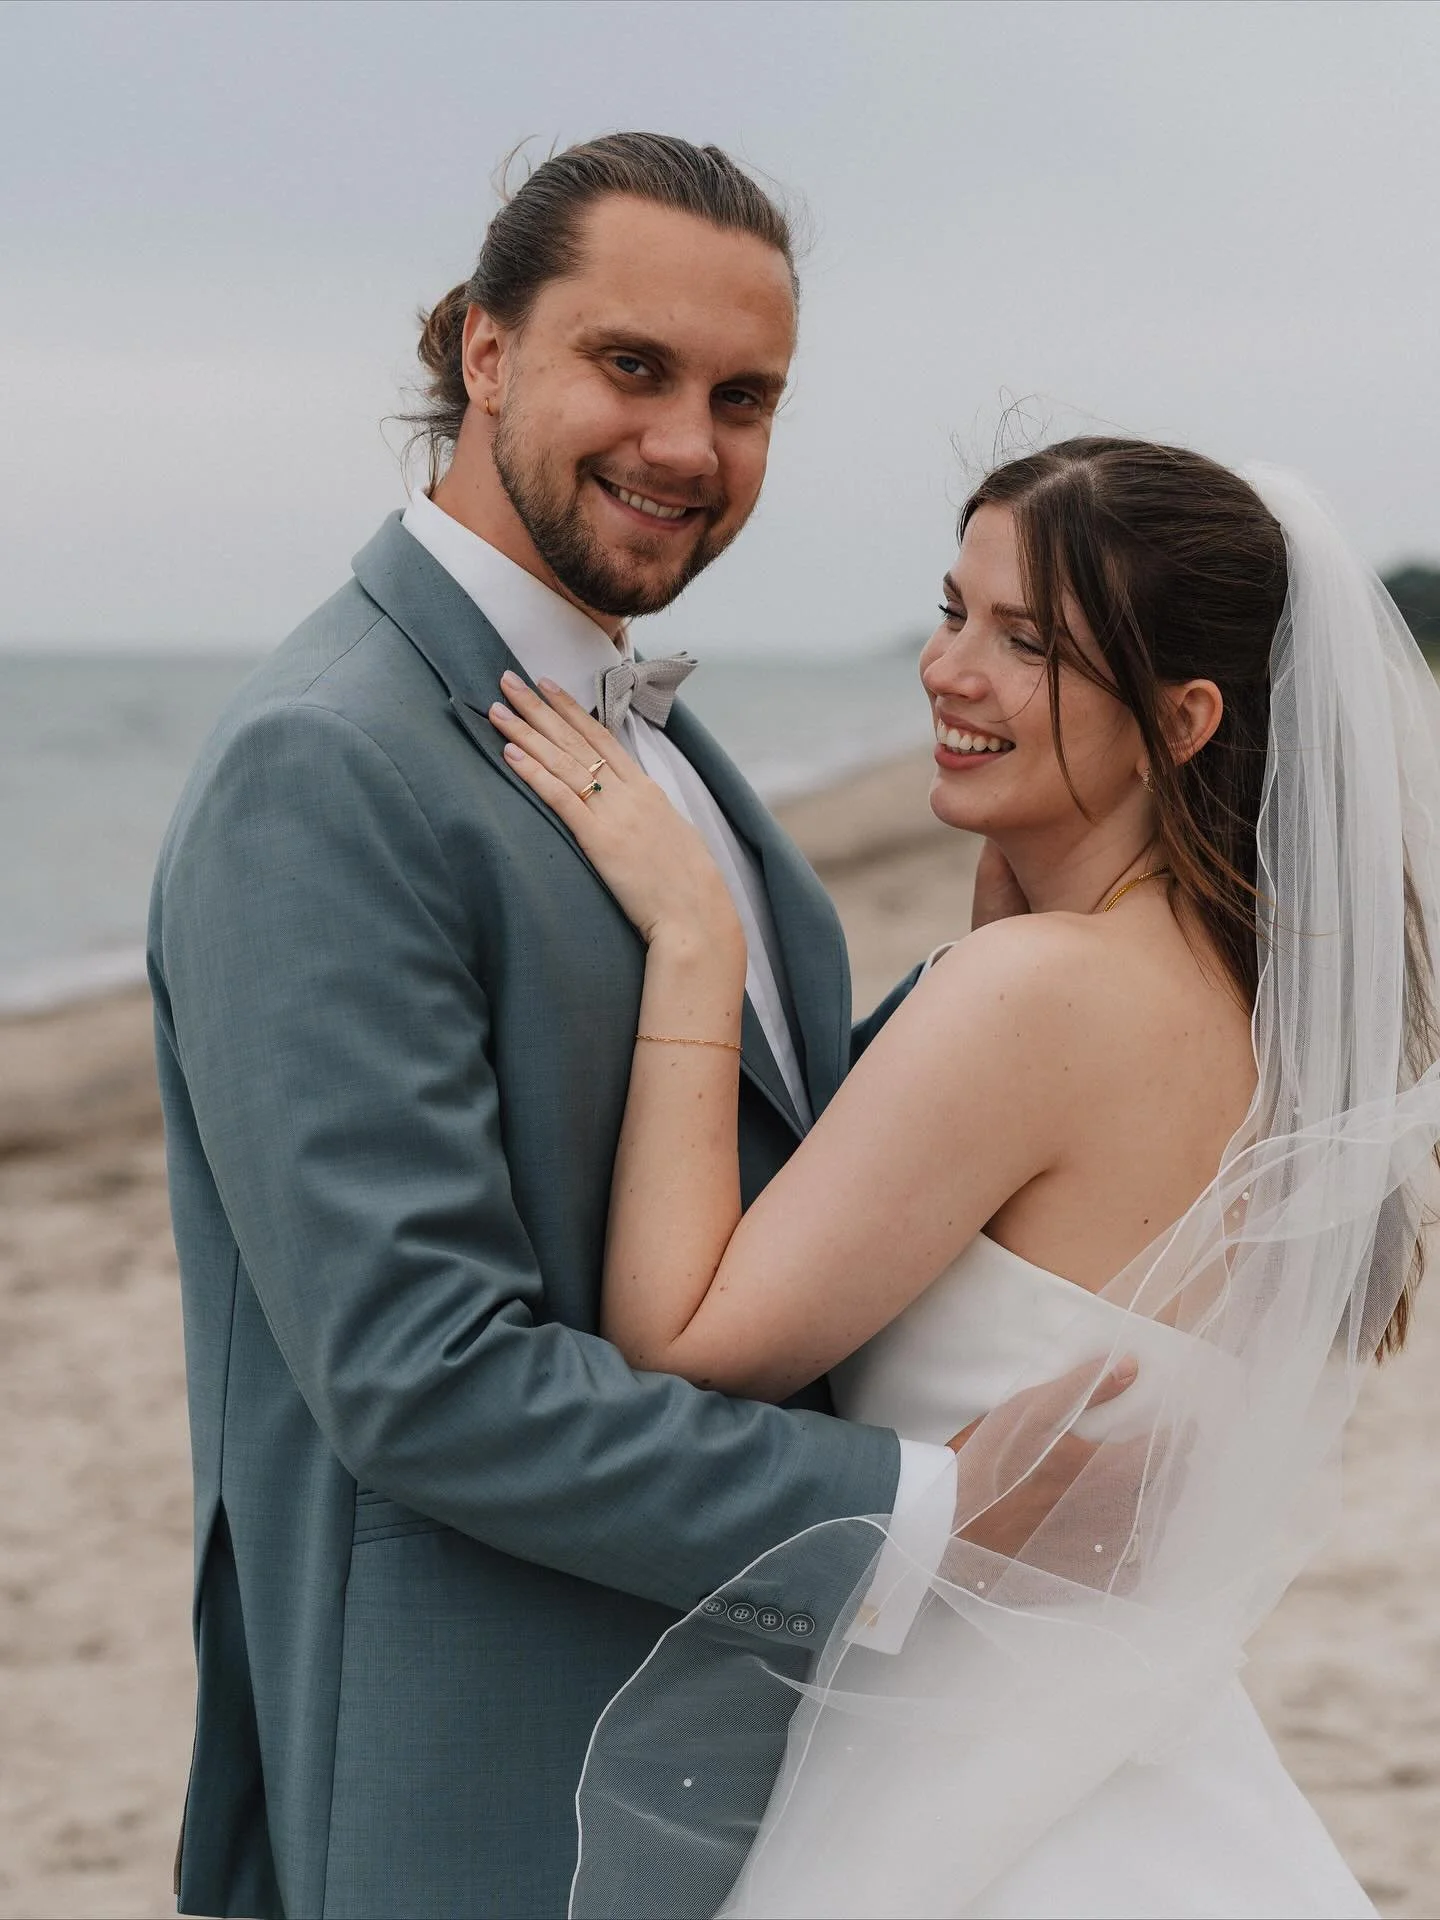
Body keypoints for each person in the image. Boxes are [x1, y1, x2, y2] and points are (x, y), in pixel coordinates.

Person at [149, 134, 1131, 1920]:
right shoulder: (330, 765)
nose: (690, 443)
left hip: (736, 1764)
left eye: (743, 395)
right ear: (485, 350)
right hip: (482, 1792)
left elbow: (783, 1139)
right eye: (634, 366)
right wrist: (926, 1513)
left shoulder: (651, 742)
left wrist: (1051, 946)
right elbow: (427, 1376)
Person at [491, 437, 1440, 1917]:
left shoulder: (1040, 994)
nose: (950, 670)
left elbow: (682, 1339)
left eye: (1030, 644)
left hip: (979, 1801)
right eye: (954, 611)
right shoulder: (1250, 996)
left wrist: (695, 937)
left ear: (1183, 719)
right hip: (1136, 1763)